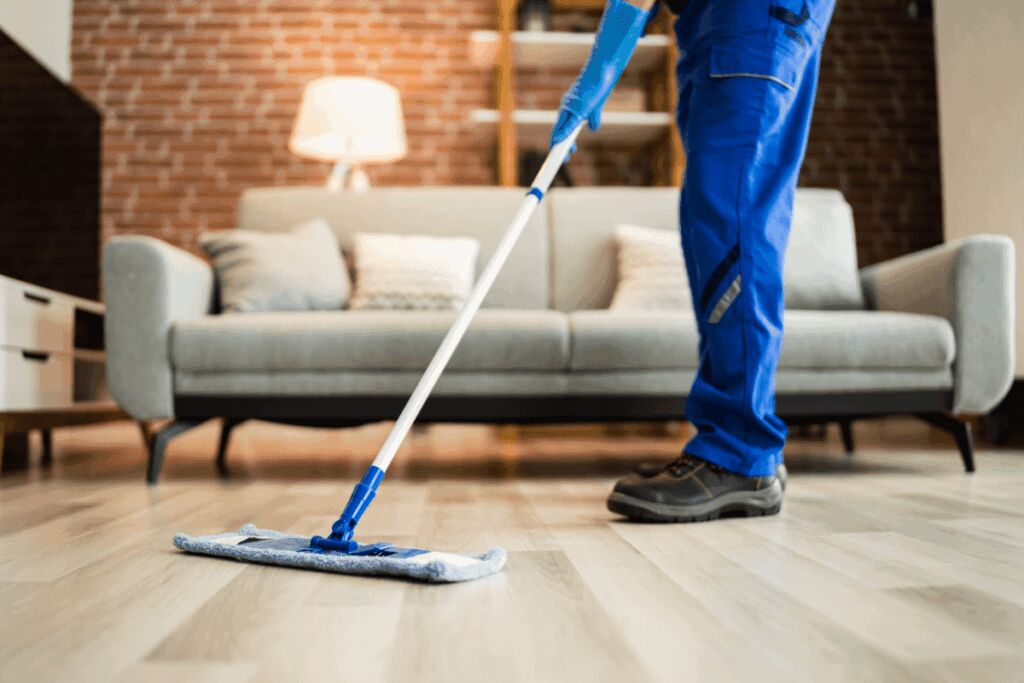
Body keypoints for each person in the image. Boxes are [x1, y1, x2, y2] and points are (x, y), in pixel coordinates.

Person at [550, 0, 835, 522]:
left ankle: (739, 455)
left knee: (731, 219)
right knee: (720, 218)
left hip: (749, 15)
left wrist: (602, 68)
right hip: (719, 20)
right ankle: (745, 445)